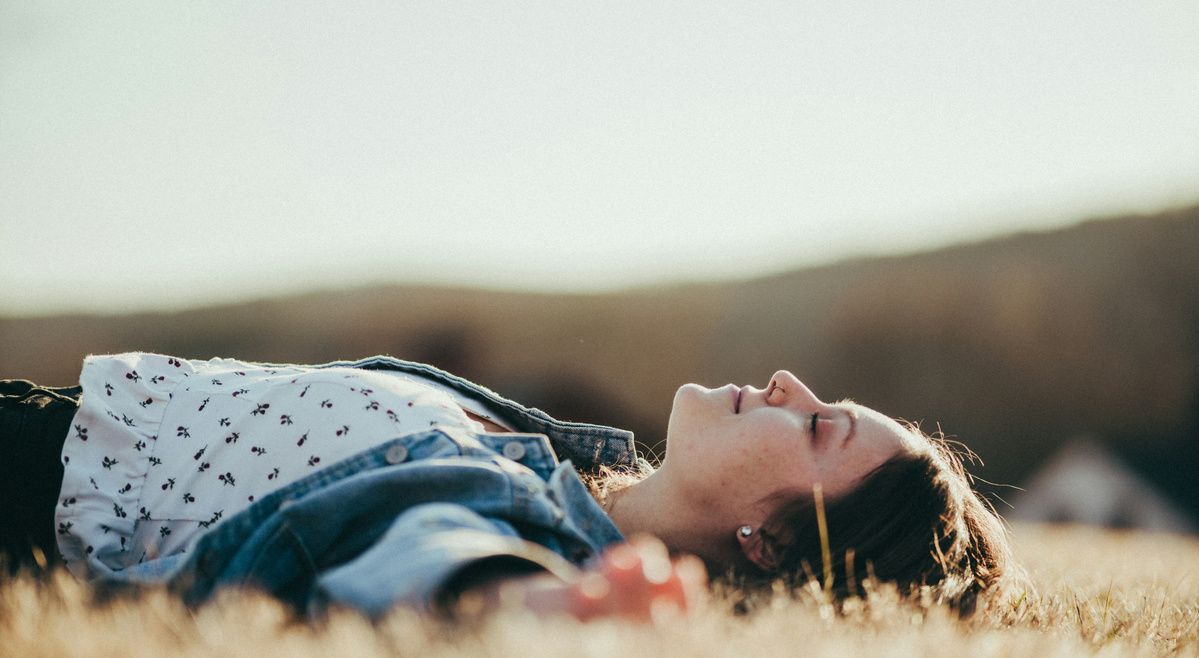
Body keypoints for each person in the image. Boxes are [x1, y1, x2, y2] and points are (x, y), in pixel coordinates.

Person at [0, 352, 1013, 620]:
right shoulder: (556, 458)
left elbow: (426, 545)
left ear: (770, 543)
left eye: (819, 425)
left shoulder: (531, 521)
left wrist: (519, 603)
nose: (791, 384)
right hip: (60, 410)